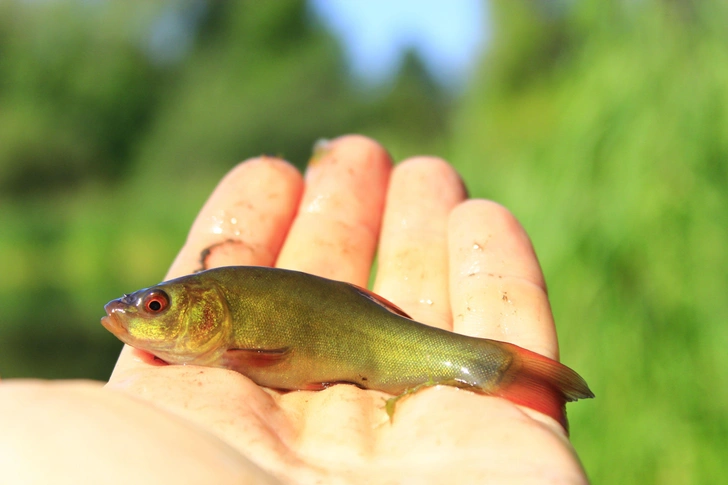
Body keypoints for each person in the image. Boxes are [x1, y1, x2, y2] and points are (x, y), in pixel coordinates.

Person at [0, 136, 589, 484]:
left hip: (371, 340)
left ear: (209, 315)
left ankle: (492, 368)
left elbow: (275, 355)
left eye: (156, 306)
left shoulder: (229, 333)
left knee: (463, 359)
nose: (137, 317)